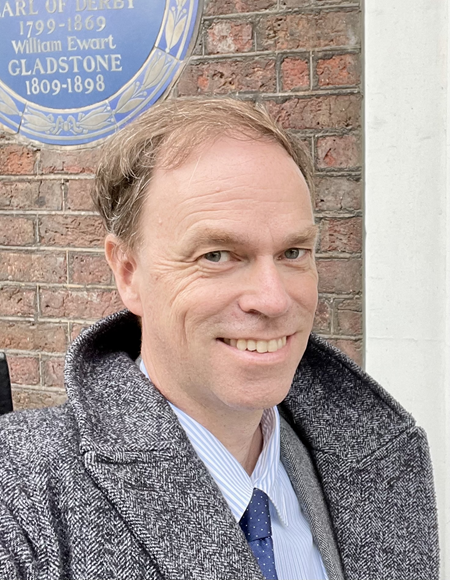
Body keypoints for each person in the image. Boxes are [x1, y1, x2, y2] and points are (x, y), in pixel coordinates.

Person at [0, 98, 439, 580]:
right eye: (217, 255)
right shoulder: (21, 495)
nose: (273, 300)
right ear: (128, 273)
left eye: (294, 252)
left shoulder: (382, 461)